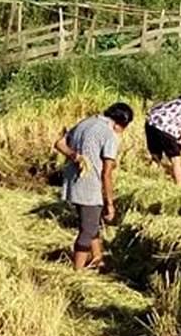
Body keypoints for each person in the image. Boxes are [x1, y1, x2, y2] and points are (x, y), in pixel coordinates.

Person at [54, 102, 134, 271]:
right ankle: (77, 272)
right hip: (89, 187)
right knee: (88, 229)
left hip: (72, 183)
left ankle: (97, 258)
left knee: (91, 223)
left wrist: (74, 156)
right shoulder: (110, 134)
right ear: (121, 124)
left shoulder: (86, 122)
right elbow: (106, 173)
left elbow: (59, 143)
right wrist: (110, 203)